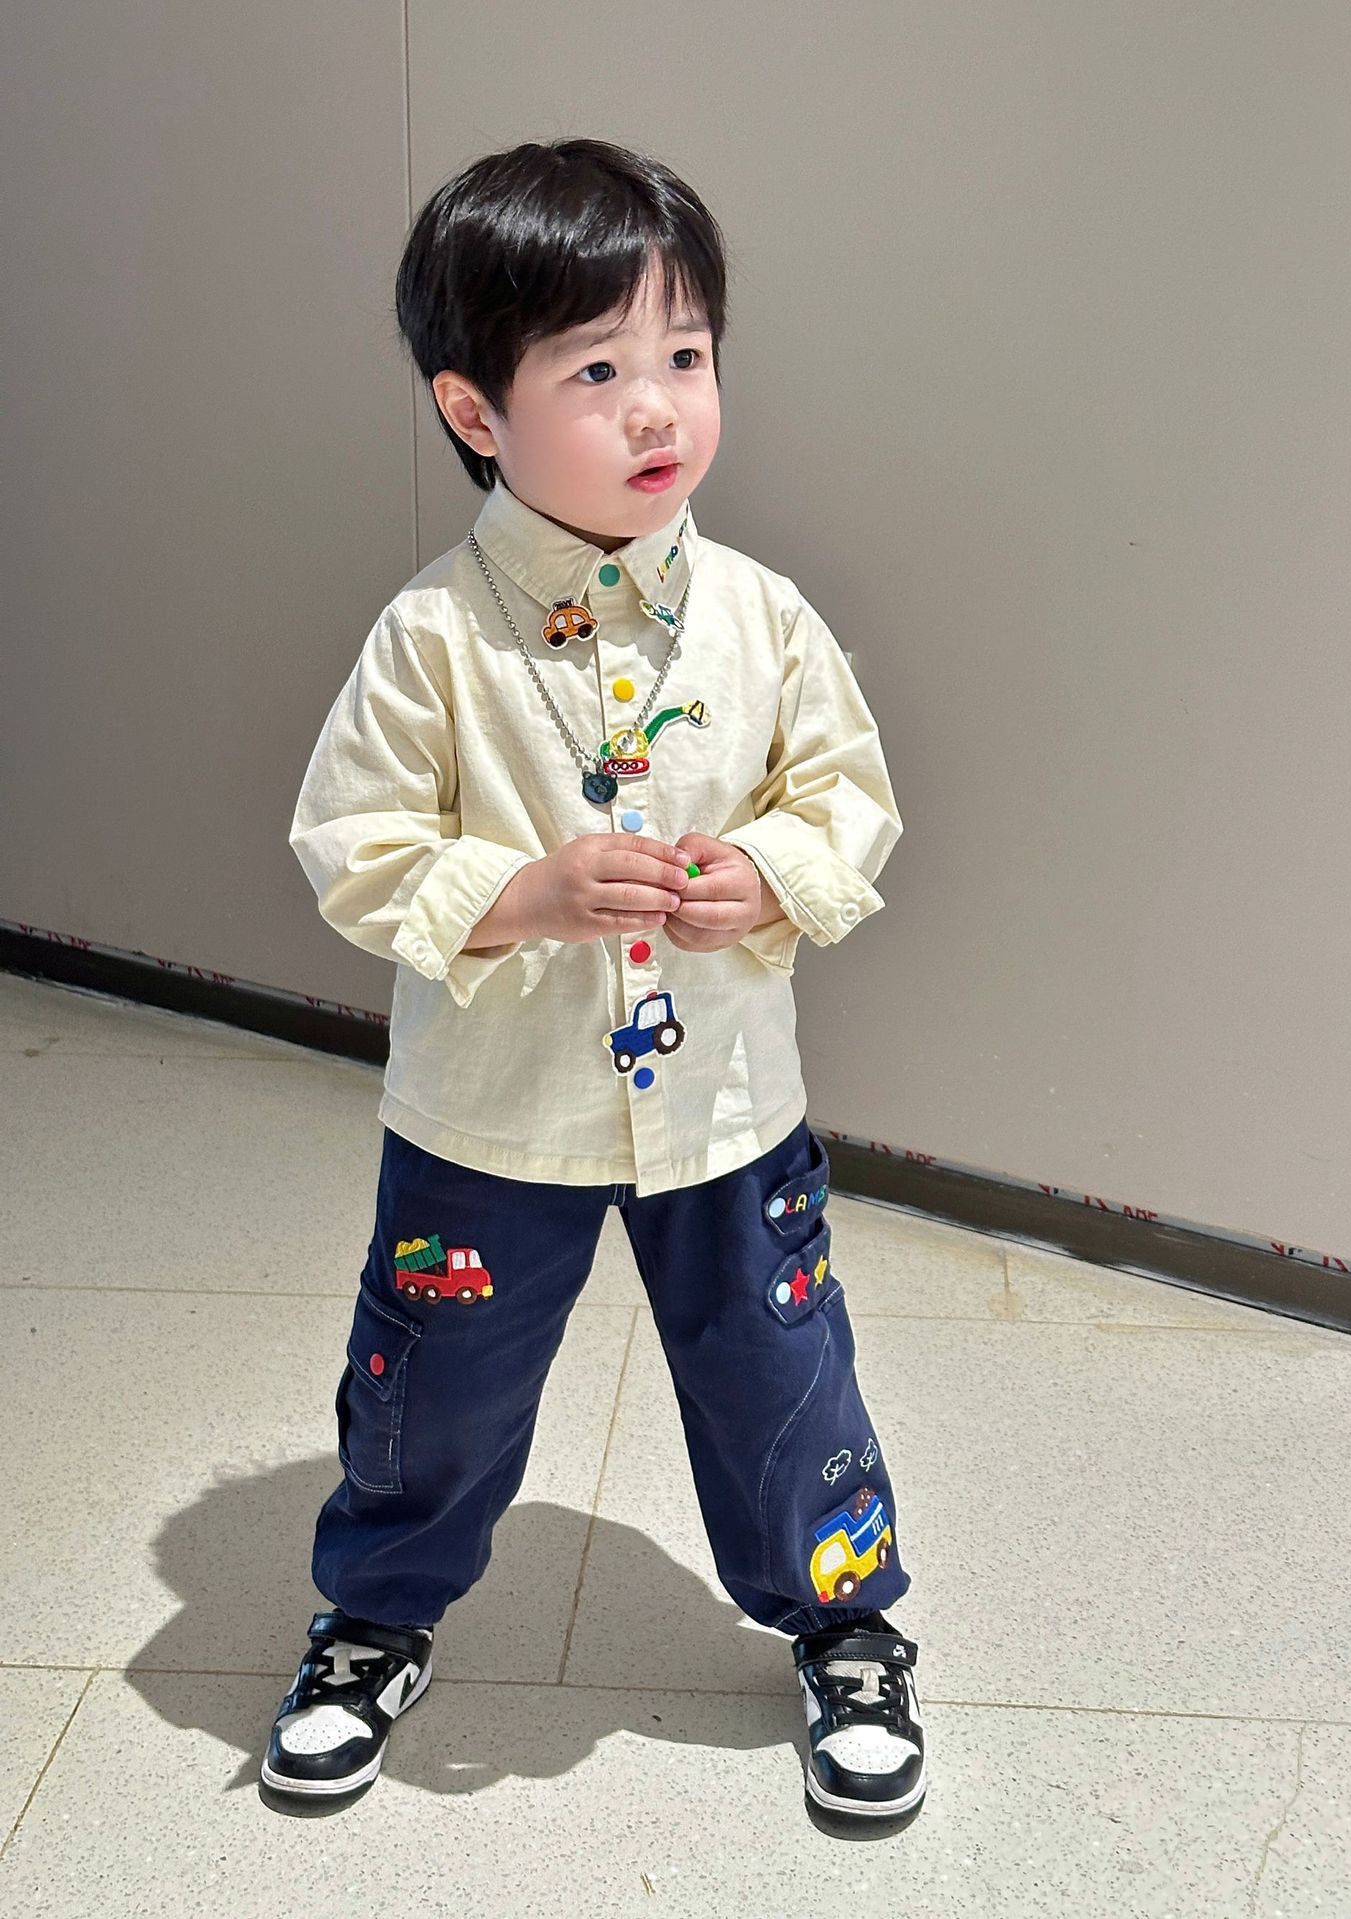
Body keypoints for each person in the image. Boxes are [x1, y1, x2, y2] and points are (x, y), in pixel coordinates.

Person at [267, 136, 923, 1825]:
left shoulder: (764, 619)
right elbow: (350, 836)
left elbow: (847, 798)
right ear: (475, 411)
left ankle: (845, 1624)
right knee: (434, 1382)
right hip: (490, 1116)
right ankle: (375, 1617)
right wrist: (520, 893)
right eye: (598, 371)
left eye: (686, 357)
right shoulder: (433, 636)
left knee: (783, 1374)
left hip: (725, 1108)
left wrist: (768, 874)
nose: (659, 411)